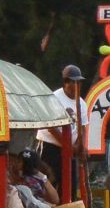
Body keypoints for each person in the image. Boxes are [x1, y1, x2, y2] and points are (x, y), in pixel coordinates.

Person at [36, 64, 88, 196]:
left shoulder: (81, 103)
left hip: (71, 149)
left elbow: (82, 127)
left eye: (79, 83)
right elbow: (50, 127)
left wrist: (79, 145)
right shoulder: (54, 98)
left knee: (69, 186)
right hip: (50, 147)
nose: (76, 86)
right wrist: (67, 145)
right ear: (65, 82)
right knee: (49, 183)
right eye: (73, 82)